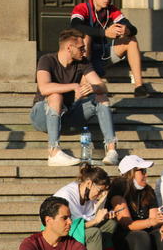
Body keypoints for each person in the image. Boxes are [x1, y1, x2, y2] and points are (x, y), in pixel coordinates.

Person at [31, 28, 119, 168]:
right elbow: (44, 88)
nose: (84, 51)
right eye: (81, 48)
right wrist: (73, 86)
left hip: (68, 115)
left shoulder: (83, 62)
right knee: (55, 95)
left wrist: (94, 88)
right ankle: (54, 152)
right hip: (42, 115)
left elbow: (103, 87)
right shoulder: (47, 60)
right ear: (68, 48)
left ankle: (112, 150)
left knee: (101, 97)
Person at [70, 0, 154, 98]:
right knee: (86, 37)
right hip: (83, 55)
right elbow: (75, 25)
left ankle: (139, 87)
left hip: (103, 53)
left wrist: (127, 30)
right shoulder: (82, 8)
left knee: (131, 39)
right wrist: (104, 33)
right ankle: (85, 83)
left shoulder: (111, 9)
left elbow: (133, 28)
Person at [52, 164, 122, 250]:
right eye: (100, 191)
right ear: (89, 183)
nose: (100, 195)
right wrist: (96, 221)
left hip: (77, 231)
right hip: (62, 234)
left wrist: (102, 214)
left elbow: (87, 219)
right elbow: (70, 227)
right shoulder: (67, 195)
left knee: (110, 225)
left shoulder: (88, 196)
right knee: (94, 232)